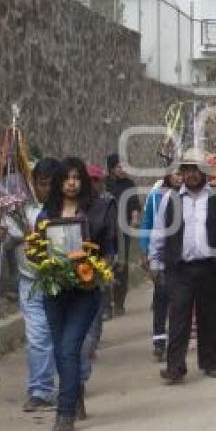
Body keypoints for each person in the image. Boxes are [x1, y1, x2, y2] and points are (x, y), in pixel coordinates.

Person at [149, 148, 216, 384]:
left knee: (210, 316)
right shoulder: (170, 199)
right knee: (179, 317)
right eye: (187, 169)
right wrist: (155, 261)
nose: (192, 174)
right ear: (182, 173)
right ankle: (175, 367)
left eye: (196, 169)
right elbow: (159, 233)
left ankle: (209, 360)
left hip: (211, 268)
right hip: (179, 269)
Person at [39, 157, 116, 431]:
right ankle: (76, 391)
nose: (72, 183)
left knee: (71, 347)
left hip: (85, 292)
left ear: (83, 181)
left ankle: (65, 413)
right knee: (61, 349)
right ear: (59, 182)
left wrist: (98, 271)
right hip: (54, 291)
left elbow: (109, 251)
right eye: (66, 178)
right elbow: (37, 248)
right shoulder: (47, 213)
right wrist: (42, 265)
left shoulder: (98, 209)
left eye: (77, 178)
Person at [0, 157, 60, 412]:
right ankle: (40, 390)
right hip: (31, 284)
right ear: (34, 184)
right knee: (38, 336)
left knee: (62, 336)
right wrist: (0, 235)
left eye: (52, 185)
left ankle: (71, 383)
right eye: (42, 184)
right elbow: (6, 243)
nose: (47, 190)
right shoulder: (20, 211)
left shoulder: (65, 211)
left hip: (60, 283)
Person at [78, 163, 118, 411]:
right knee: (66, 342)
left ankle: (77, 386)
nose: (91, 185)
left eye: (96, 181)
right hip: (63, 282)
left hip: (93, 277)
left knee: (87, 336)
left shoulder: (106, 206)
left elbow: (110, 241)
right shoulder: (59, 209)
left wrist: (104, 267)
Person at [139, 169, 184, 362]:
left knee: (180, 301)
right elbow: (147, 223)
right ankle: (159, 341)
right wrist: (145, 251)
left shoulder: (189, 195)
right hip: (162, 253)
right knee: (161, 297)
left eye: (181, 173)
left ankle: (176, 340)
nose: (179, 177)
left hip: (183, 255)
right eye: (175, 173)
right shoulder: (156, 196)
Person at [104, 153, 142, 318]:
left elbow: (134, 204)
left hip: (123, 229)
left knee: (122, 266)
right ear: (112, 169)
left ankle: (119, 302)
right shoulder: (105, 185)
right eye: (119, 166)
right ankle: (106, 304)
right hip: (106, 230)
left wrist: (134, 218)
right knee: (105, 265)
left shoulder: (129, 184)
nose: (123, 169)